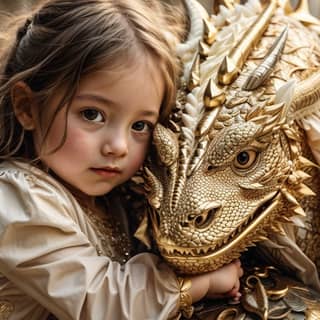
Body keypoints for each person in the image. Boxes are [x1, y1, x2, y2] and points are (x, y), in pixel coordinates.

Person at [0, 0, 243, 319]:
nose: (118, 146)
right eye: (92, 114)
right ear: (27, 108)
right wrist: (196, 283)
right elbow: (102, 302)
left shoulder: (106, 199)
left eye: (140, 126)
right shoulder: (17, 200)